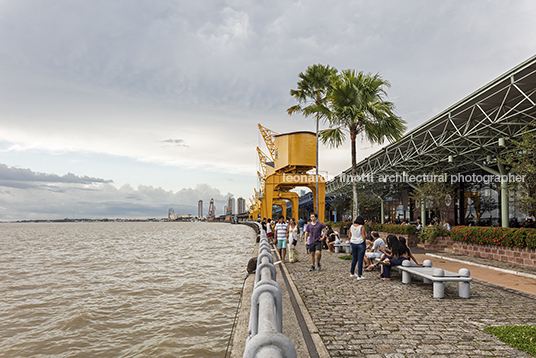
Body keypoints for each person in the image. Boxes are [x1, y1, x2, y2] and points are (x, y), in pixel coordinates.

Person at [348, 216, 367, 280]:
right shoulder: (361, 227)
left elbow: (349, 236)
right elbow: (364, 237)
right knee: (360, 259)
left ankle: (352, 273)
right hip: (360, 243)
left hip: (353, 243)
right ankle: (359, 275)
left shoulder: (351, 226)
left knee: (354, 259)